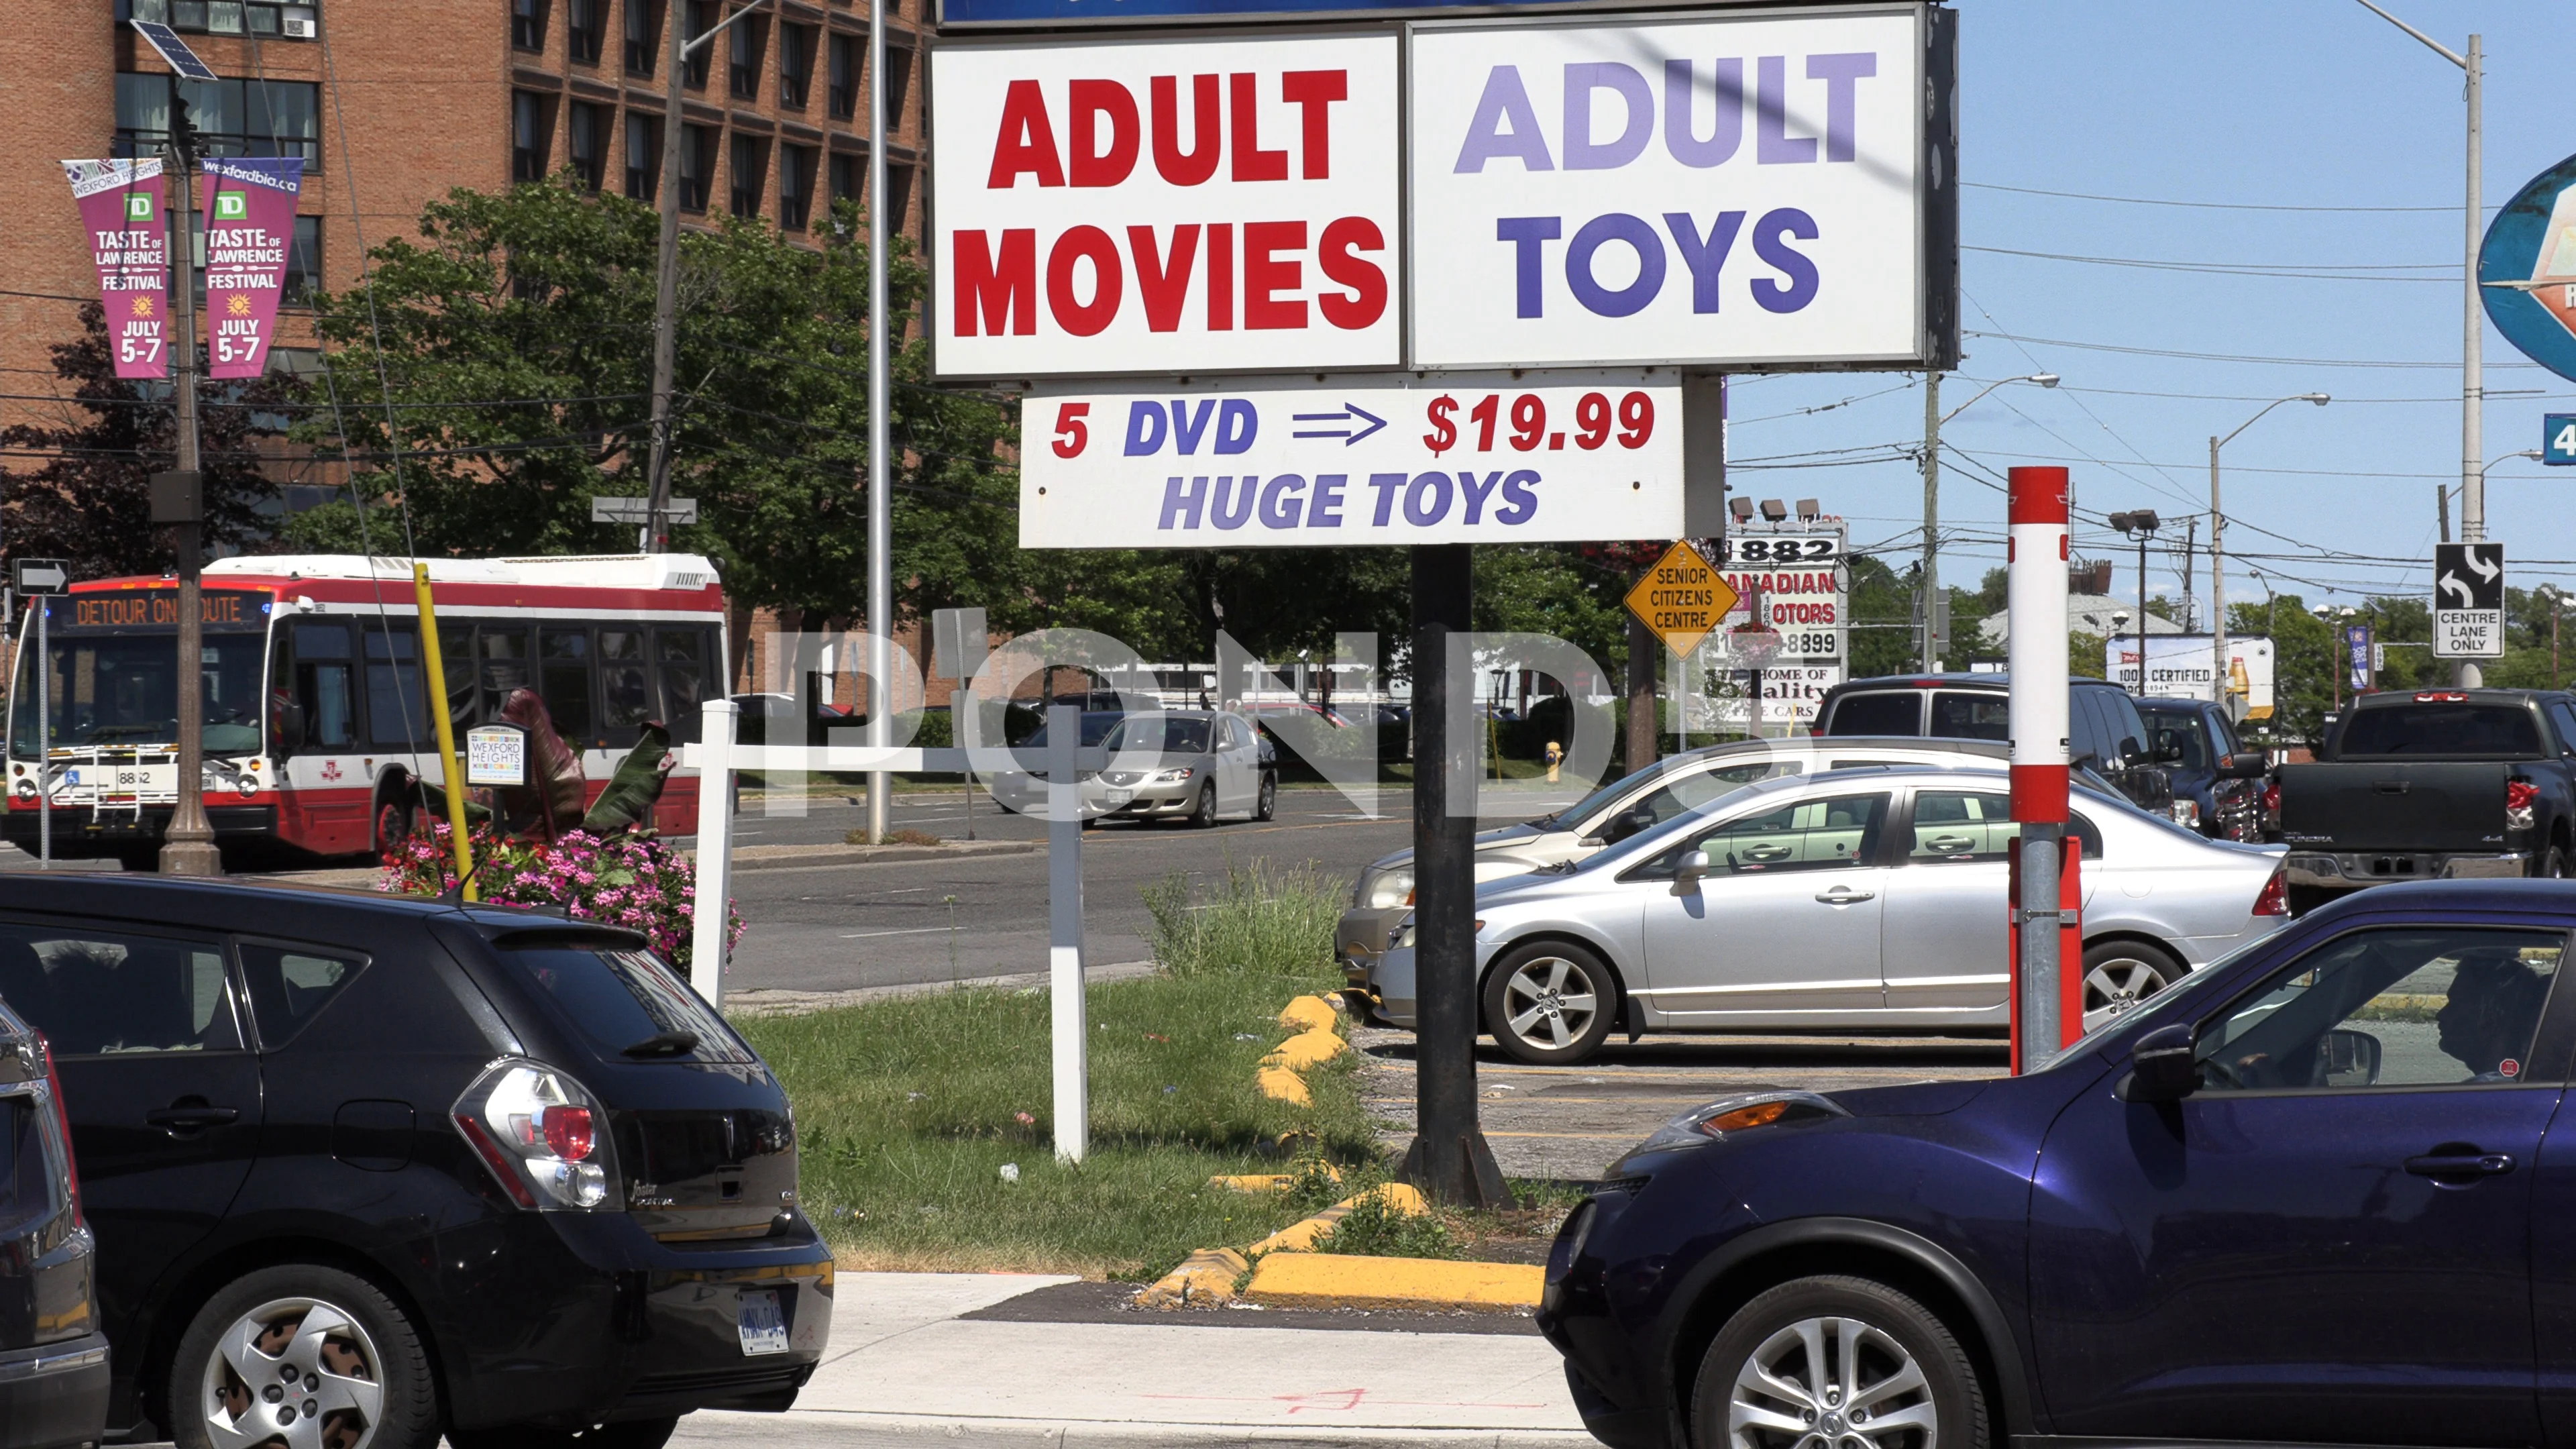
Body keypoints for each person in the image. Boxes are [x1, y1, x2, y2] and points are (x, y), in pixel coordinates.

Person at [2436, 950, 2553, 1081]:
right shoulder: (2521, 1084)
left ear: (2490, 1017)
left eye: (2456, 1005)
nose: (2440, 1015)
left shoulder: (2490, 1092)